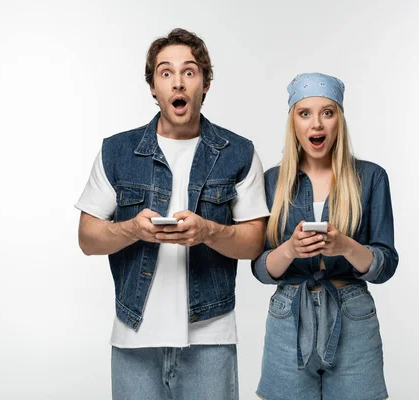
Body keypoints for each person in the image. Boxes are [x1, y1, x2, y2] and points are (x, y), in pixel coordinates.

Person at [75, 28, 269, 400]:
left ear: (206, 83)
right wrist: (132, 229)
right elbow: (87, 238)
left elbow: (253, 243)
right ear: (152, 86)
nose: (178, 83)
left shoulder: (238, 152)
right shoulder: (117, 152)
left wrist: (209, 232)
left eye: (189, 72)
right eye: (165, 73)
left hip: (211, 339)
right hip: (134, 338)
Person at [252, 72, 398, 400]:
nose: (316, 124)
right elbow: (260, 268)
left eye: (327, 113)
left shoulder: (371, 177)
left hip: (353, 317)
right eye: (305, 113)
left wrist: (345, 246)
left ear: (339, 121)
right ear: (293, 123)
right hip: (288, 316)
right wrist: (289, 249)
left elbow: (386, 264)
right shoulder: (272, 181)